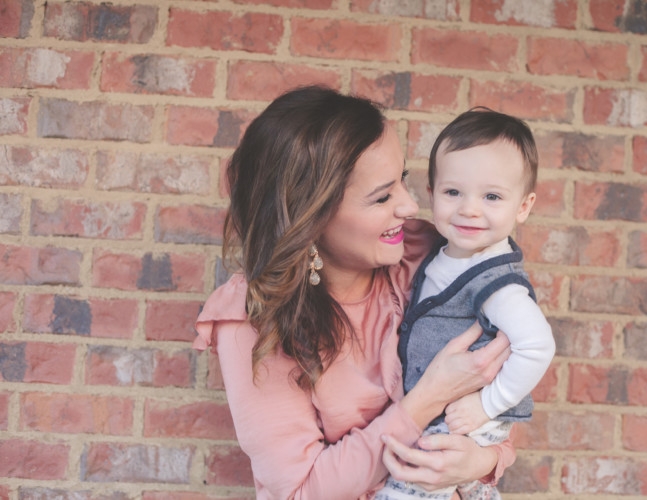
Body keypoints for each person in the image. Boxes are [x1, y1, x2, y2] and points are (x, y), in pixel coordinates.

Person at [193, 86, 517, 500]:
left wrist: (480, 462)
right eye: (381, 197)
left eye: (401, 180)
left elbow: (500, 412)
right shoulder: (255, 318)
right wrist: (428, 399)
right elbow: (300, 492)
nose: (408, 205)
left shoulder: (431, 257)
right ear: (310, 217)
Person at [375, 109, 556, 500]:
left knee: (409, 484)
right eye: (453, 192)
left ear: (523, 207)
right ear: (432, 193)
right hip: (444, 411)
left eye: (491, 197)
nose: (469, 208)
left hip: (464, 417)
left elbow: (538, 345)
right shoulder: (444, 253)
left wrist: (486, 406)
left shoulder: (497, 284)